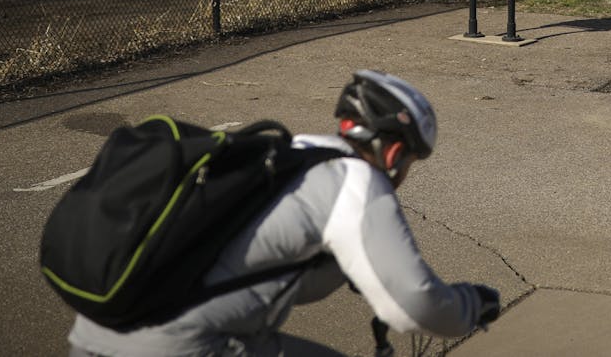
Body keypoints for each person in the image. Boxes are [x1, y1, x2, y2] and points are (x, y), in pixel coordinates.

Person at [68, 70, 502, 356]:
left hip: (97, 333)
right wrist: (472, 303)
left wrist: (337, 268)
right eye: (409, 163)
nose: (405, 175)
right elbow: (412, 306)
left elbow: (261, 263)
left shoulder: (291, 153)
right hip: (178, 347)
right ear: (392, 152)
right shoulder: (357, 182)